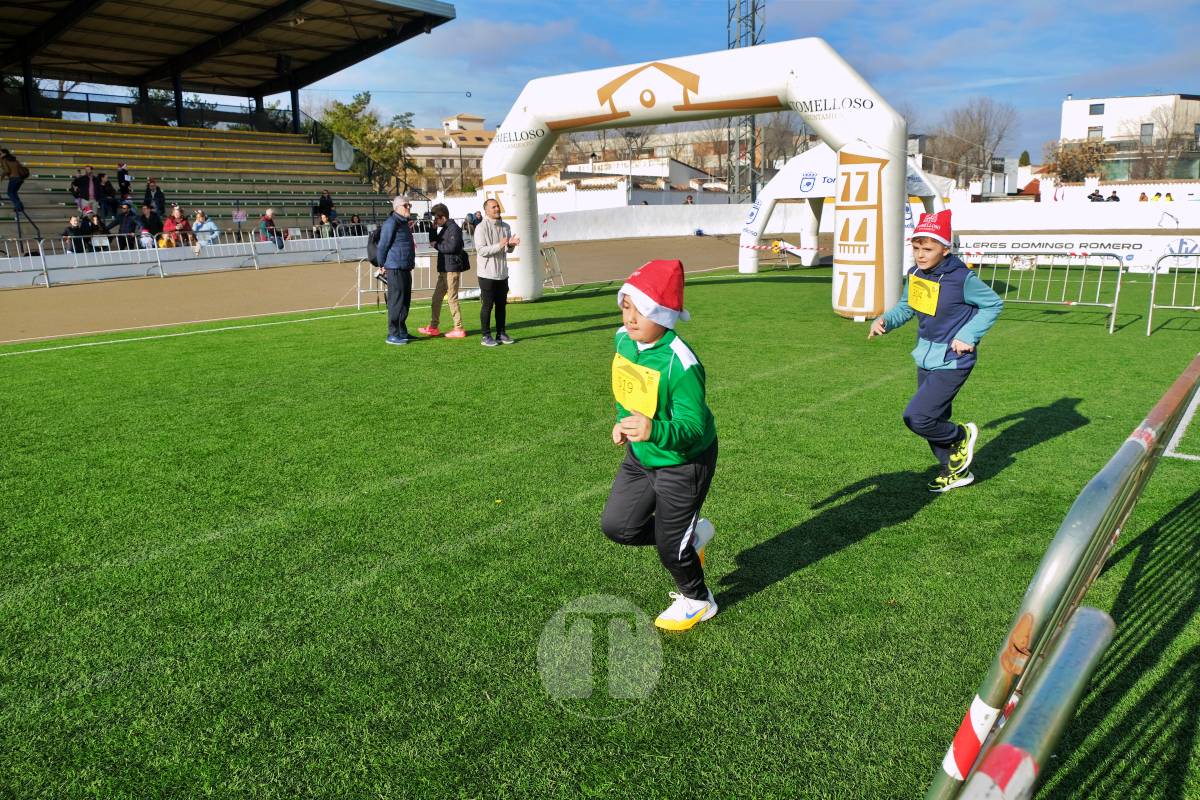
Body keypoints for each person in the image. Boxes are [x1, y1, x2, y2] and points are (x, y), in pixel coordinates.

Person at [601, 258, 719, 631]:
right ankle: (691, 537)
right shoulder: (624, 340)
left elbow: (692, 426)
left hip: (685, 462)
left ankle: (699, 600)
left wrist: (653, 430)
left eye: (642, 310)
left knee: (671, 550)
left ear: (664, 315)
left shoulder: (681, 363)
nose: (630, 318)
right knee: (618, 527)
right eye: (626, 307)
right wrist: (623, 423)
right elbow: (628, 390)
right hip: (642, 457)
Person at [868, 209, 1003, 493]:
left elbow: (993, 304)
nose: (920, 254)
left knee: (918, 417)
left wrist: (968, 334)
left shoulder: (962, 278)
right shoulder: (916, 273)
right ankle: (954, 471)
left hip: (954, 360)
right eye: (916, 247)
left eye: (927, 249)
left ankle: (962, 434)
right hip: (925, 358)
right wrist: (885, 321)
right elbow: (907, 306)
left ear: (945, 248)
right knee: (933, 420)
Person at [419, 203, 469, 339]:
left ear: (443, 217)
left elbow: (452, 247)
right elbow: (434, 242)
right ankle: (433, 327)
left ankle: (458, 328)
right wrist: (432, 230)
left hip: (451, 269)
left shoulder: (454, 229)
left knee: (452, 299)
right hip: (444, 269)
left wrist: (437, 245)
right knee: (436, 299)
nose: (435, 221)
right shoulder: (446, 228)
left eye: (436, 219)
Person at [474, 197, 520, 346]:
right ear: (486, 210)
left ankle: (501, 333)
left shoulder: (505, 226)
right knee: (487, 306)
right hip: (487, 274)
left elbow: (507, 249)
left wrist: (511, 245)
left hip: (502, 273)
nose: (497, 209)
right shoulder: (481, 227)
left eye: (498, 206)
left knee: (502, 305)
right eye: (493, 207)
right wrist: (499, 245)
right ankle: (485, 336)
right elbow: (481, 250)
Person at [376, 195, 417, 345]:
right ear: (397, 208)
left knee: (405, 302)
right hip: (395, 268)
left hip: (405, 267)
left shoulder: (404, 223)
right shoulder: (391, 223)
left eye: (409, 205)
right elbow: (383, 245)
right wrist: (381, 264)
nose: (409, 208)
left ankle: (402, 331)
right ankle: (392, 334)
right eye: (406, 206)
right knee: (396, 302)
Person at [1, 148, 29, 214]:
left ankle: (18, 206)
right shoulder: (14, 159)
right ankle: (20, 207)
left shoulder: (3, 160)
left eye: (0, 154)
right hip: (20, 179)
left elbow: (7, 170)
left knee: (10, 193)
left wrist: (1, 177)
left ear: (4, 154)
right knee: (14, 192)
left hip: (14, 178)